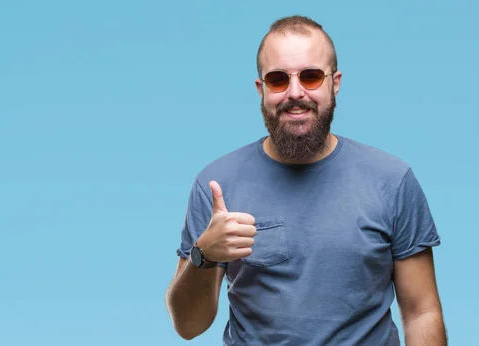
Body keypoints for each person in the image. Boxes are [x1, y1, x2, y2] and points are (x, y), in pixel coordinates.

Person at [164, 15, 447, 346]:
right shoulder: (216, 186)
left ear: (335, 82)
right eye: (278, 79)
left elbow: (421, 312)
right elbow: (188, 326)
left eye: (311, 77)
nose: (295, 93)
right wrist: (204, 254)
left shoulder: (392, 180)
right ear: (261, 89)